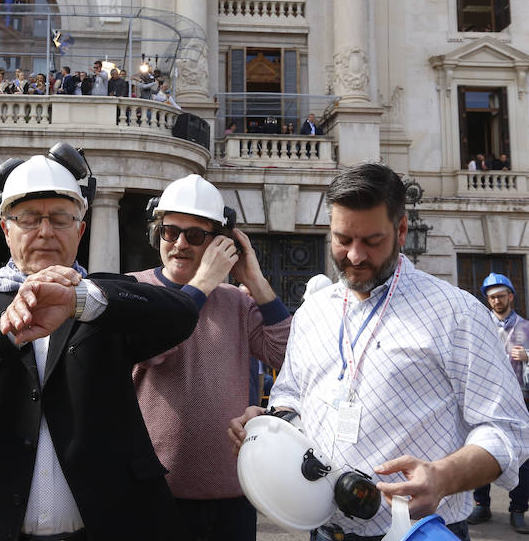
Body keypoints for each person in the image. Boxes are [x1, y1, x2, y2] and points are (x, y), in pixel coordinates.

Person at [0, 143, 201, 541]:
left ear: (80, 229)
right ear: (6, 228)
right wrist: (4, 328)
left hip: (107, 526)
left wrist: (80, 299)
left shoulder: (106, 297)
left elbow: (180, 315)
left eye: (61, 218)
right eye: (29, 218)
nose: (45, 231)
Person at [227, 163, 529, 541]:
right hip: (324, 532)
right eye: (342, 239)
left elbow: (506, 431)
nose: (354, 256)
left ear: (401, 231)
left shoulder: (458, 313)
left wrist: (443, 477)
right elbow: (291, 398)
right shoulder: (313, 313)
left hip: (419, 533)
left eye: (371, 241)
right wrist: (270, 424)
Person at [130, 174, 290, 541]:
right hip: (154, 492)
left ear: (219, 243)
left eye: (195, 235)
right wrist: (201, 285)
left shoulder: (236, 301)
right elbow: (151, 345)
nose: (180, 244)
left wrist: (253, 277)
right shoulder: (134, 287)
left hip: (232, 495)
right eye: (171, 231)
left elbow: (283, 353)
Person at [466, 272, 529, 532]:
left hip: (522, 402)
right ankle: (482, 505)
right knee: (482, 450)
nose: (496, 301)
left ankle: (517, 509)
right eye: (491, 297)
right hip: (487, 400)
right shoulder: (480, 326)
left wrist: (528, 356)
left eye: (501, 296)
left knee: (524, 458)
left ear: (511, 296)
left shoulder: (526, 328)